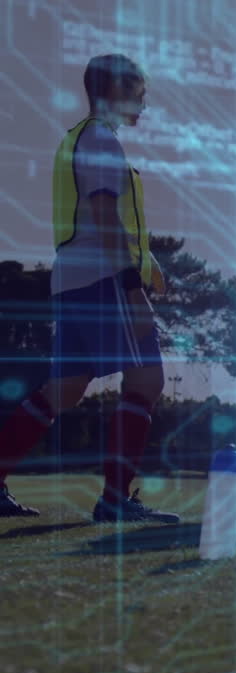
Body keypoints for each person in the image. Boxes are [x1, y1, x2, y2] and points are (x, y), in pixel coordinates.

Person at [0, 54, 177, 522]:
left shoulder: (80, 137)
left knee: (64, 388)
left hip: (72, 279)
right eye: (140, 92)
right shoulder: (101, 138)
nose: (145, 102)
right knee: (146, 380)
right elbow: (102, 214)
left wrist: (149, 260)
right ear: (117, 91)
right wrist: (132, 288)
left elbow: (96, 214)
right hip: (103, 280)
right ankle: (115, 500)